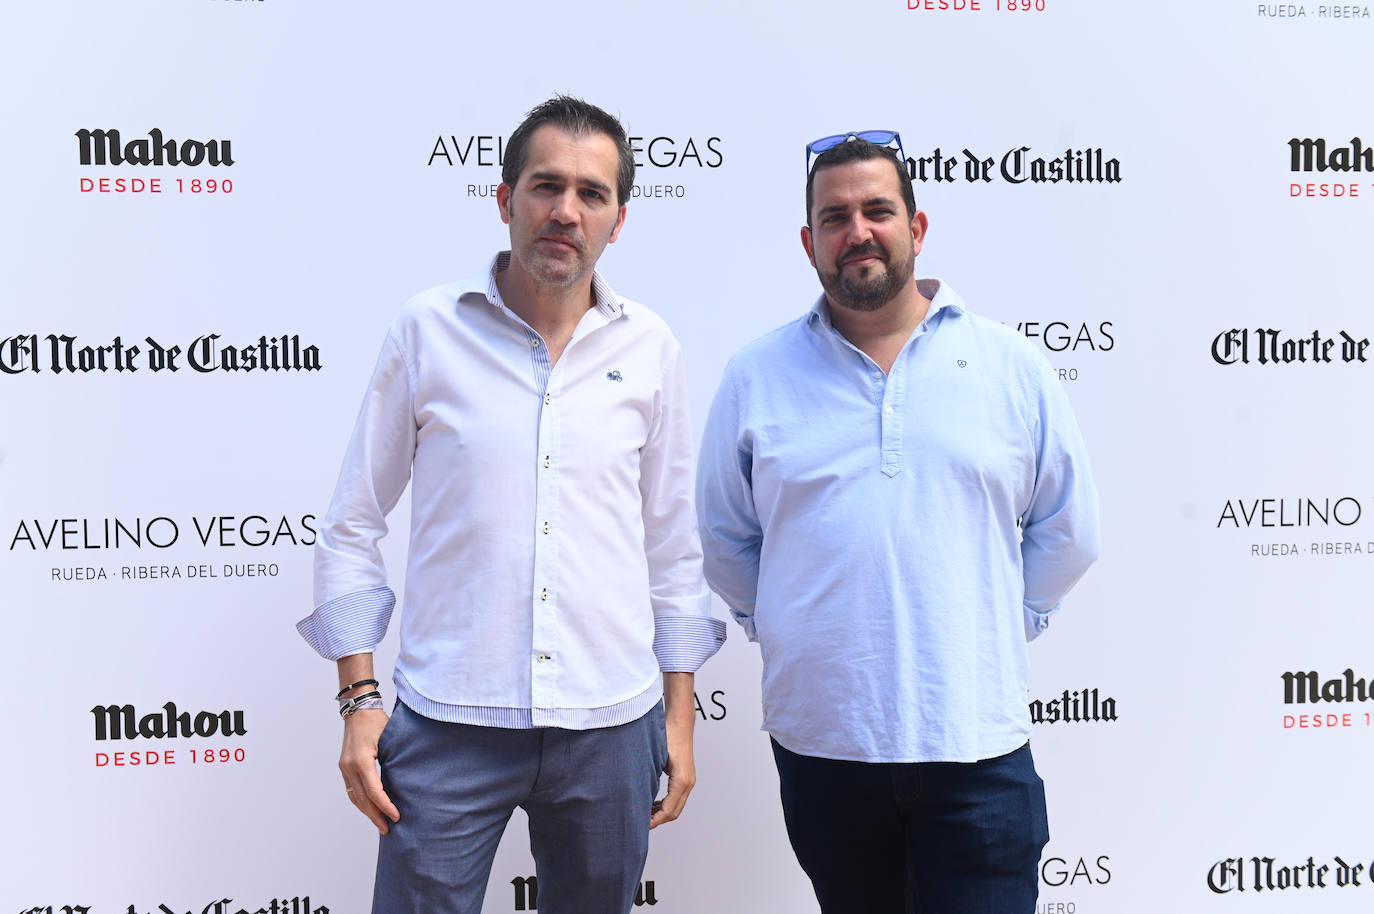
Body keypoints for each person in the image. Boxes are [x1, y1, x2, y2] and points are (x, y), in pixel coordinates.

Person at [298, 95, 725, 914]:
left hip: (611, 724)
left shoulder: (650, 347)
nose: (566, 211)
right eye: (546, 186)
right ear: (504, 199)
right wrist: (358, 702)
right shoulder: (427, 330)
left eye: (592, 194)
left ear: (618, 221)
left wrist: (681, 717)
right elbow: (351, 526)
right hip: (448, 721)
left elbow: (674, 548)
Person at [695, 133, 1100, 914]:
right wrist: (788, 625)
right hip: (825, 746)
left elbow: (1069, 530)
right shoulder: (756, 375)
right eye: (835, 217)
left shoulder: (1009, 364)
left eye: (878, 210)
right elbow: (726, 538)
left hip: (977, 743)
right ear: (809, 243)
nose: (858, 231)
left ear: (916, 227)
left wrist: (992, 622)